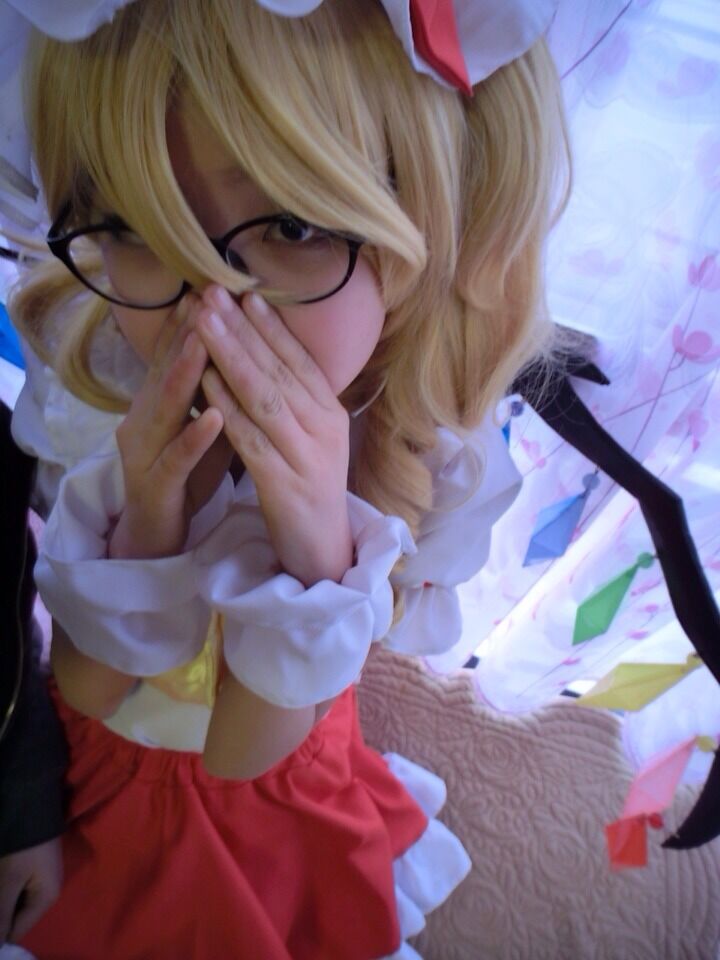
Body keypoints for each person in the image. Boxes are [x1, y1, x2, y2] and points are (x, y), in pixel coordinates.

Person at [7, 0, 569, 956]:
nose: (207, 306)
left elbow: (245, 758)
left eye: (294, 225)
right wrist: (149, 517)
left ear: (426, 226)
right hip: (98, 783)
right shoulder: (98, 381)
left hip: (282, 799)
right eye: (134, 225)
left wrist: (315, 546)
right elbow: (90, 688)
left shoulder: (429, 459)